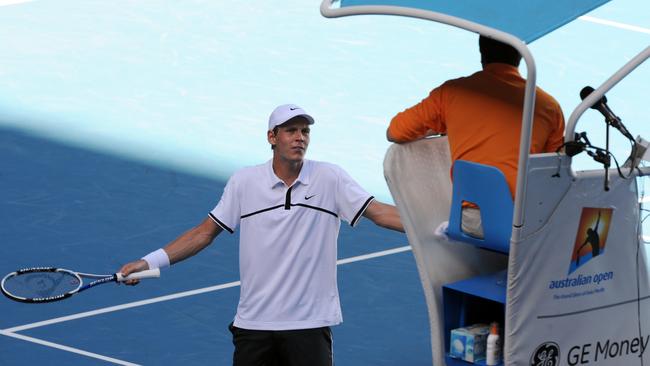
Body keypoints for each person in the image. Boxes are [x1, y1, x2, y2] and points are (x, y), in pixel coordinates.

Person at [119, 103, 404, 366]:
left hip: (308, 324)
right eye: (290, 130)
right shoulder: (245, 182)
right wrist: (149, 262)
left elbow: (379, 213)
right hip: (254, 325)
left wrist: (439, 225)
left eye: (304, 131)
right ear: (272, 137)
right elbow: (204, 233)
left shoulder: (331, 178)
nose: (299, 138)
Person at [386, 35, 565, 238]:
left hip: (476, 222)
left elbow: (395, 131)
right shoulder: (549, 106)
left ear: (482, 54)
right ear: (520, 57)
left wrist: (445, 125)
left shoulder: (452, 92)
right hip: (533, 224)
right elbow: (555, 172)